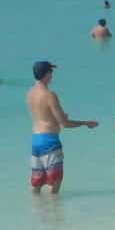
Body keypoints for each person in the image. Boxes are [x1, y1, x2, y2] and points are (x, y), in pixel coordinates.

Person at [25, 61, 95, 194]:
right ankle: (53, 214)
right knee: (54, 184)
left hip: (35, 140)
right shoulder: (49, 95)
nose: (52, 75)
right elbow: (65, 124)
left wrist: (56, 120)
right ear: (46, 75)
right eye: (51, 72)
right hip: (49, 141)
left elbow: (42, 116)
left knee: (36, 184)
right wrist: (85, 123)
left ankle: (36, 212)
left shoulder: (30, 93)